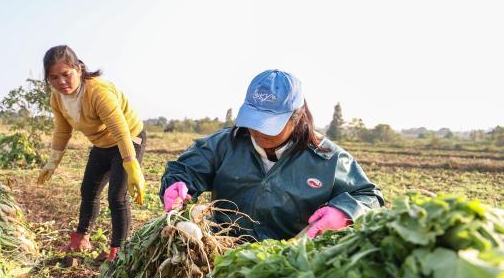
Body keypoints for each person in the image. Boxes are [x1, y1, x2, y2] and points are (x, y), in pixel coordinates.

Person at [160, 69, 384, 240]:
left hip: (286, 266)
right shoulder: (223, 145)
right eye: (254, 121)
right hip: (223, 256)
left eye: (270, 124)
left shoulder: (327, 158)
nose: (259, 132)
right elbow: (184, 170)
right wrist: (176, 184)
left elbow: (369, 196)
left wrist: (345, 211)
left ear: (296, 118)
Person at [36, 45, 146, 261]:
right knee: (88, 190)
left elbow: (120, 131)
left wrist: (132, 166)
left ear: (79, 69)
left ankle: (119, 250)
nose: (61, 82)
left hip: (128, 138)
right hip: (102, 144)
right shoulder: (57, 98)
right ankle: (80, 239)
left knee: (116, 196)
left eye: (66, 75)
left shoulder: (98, 91)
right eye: (54, 78)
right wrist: (52, 162)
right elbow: (62, 130)